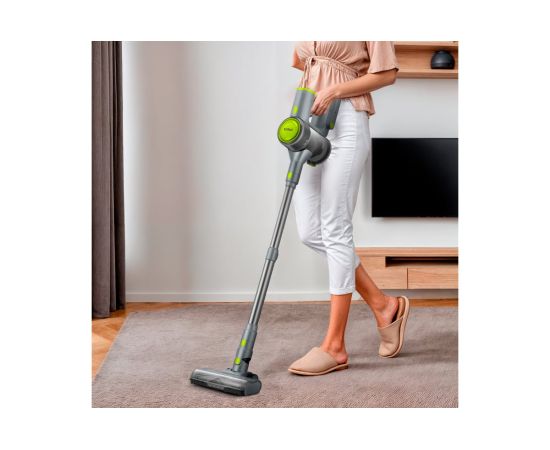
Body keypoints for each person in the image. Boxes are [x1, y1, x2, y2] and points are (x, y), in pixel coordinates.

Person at [288, 41, 410, 376]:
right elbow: (301, 60)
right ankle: (384, 305)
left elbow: (387, 73)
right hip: (307, 115)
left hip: (346, 119)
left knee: (335, 227)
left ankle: (335, 346)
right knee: (310, 231)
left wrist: (335, 89)